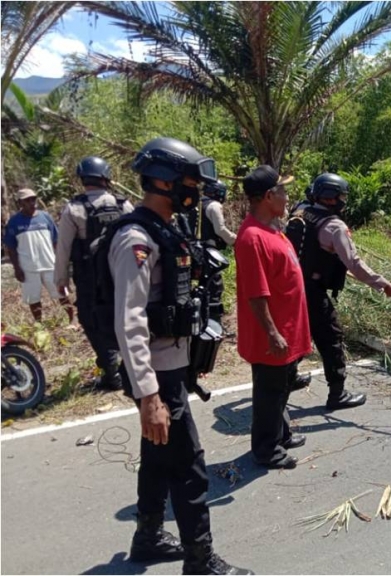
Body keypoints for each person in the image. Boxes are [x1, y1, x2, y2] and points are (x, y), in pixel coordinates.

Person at [98, 137, 251, 574]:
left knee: (156, 453)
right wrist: (150, 397)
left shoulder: (167, 228)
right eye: (189, 182)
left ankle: (147, 537)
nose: (195, 191)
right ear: (164, 182)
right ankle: (200, 561)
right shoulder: (135, 239)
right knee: (189, 468)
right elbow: (128, 322)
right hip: (157, 374)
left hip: (171, 366)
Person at [285, 173, 391, 411]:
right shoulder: (334, 226)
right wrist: (383, 284)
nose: (343, 200)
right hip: (312, 290)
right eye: (341, 196)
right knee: (331, 338)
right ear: (329, 197)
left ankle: (287, 379)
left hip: (290, 285)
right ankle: (337, 394)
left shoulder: (300, 210)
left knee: (298, 333)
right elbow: (355, 264)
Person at [235, 165, 312, 470]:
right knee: (269, 393)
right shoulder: (252, 238)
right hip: (273, 335)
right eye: (283, 190)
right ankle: (267, 450)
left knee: (282, 386)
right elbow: (256, 293)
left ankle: (281, 434)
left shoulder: (274, 229)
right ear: (268, 196)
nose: (287, 195)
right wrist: (272, 333)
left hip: (289, 329)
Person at [54, 156, 132, 390]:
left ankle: (111, 371)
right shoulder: (123, 204)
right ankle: (128, 367)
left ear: (83, 179)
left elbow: (63, 248)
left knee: (92, 321)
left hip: (90, 278)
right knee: (127, 315)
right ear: (105, 177)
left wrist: (61, 281)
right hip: (122, 272)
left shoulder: (74, 208)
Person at [3, 188, 74, 324]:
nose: (32, 203)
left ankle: (73, 320)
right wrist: (17, 269)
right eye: (27, 200)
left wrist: (62, 263)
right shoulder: (14, 222)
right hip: (28, 267)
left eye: (33, 199)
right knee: (33, 298)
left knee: (62, 293)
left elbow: (55, 241)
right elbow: (11, 248)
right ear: (20, 203)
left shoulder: (45, 217)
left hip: (50, 264)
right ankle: (39, 325)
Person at [197, 180, 236, 323]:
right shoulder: (214, 205)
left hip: (195, 249)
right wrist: (235, 240)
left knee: (202, 285)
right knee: (215, 285)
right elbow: (220, 230)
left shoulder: (198, 202)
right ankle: (213, 320)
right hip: (209, 250)